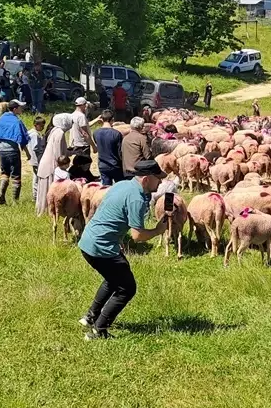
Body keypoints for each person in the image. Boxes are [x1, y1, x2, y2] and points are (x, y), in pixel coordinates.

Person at [77, 158, 170, 340]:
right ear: (146, 179)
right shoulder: (136, 198)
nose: (160, 182)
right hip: (101, 246)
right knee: (127, 288)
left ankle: (90, 317)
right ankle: (99, 329)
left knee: (113, 279)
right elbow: (137, 236)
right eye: (157, 178)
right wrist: (159, 230)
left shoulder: (123, 185)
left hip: (89, 240)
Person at [0, 100, 29, 204]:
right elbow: (22, 139)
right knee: (16, 175)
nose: (22, 109)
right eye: (20, 107)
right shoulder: (17, 121)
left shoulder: (0, 119)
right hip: (13, 151)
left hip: (2, 150)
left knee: (4, 172)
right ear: (15, 109)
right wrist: (28, 153)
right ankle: (15, 201)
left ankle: (1, 193)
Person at [34, 112, 71, 215]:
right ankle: (49, 211)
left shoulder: (55, 130)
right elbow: (58, 153)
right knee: (49, 190)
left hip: (45, 163)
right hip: (50, 165)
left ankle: (45, 211)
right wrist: (62, 165)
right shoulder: (60, 133)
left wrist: (71, 152)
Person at [93, 110, 124, 185]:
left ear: (101, 119)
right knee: (120, 187)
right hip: (115, 165)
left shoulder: (95, 133)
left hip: (102, 165)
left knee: (106, 189)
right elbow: (120, 152)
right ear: (112, 119)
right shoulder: (116, 134)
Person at [26, 115, 47, 200]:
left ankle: (36, 195)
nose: (42, 127)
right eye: (41, 126)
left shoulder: (31, 133)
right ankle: (35, 196)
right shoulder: (34, 135)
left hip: (34, 159)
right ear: (36, 125)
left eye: (43, 126)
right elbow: (36, 147)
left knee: (36, 176)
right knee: (37, 178)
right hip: (36, 159)